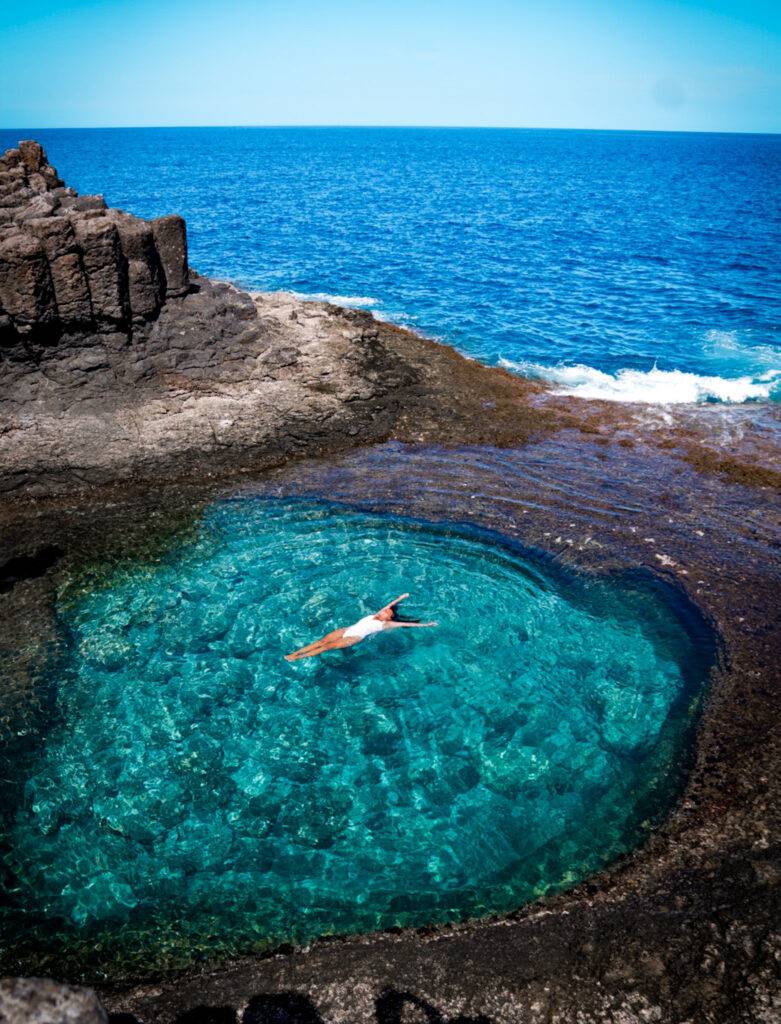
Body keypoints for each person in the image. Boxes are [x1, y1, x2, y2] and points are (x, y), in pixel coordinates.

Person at [284, 593, 437, 661]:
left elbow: (406, 623)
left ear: (388, 617)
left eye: (387, 612)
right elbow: (389, 604)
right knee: (321, 642)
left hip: (354, 637)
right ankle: (295, 652)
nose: (384, 610)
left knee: (326, 647)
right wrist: (400, 598)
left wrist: (427, 624)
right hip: (346, 630)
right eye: (384, 610)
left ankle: (297, 658)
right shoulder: (376, 615)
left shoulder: (386, 623)